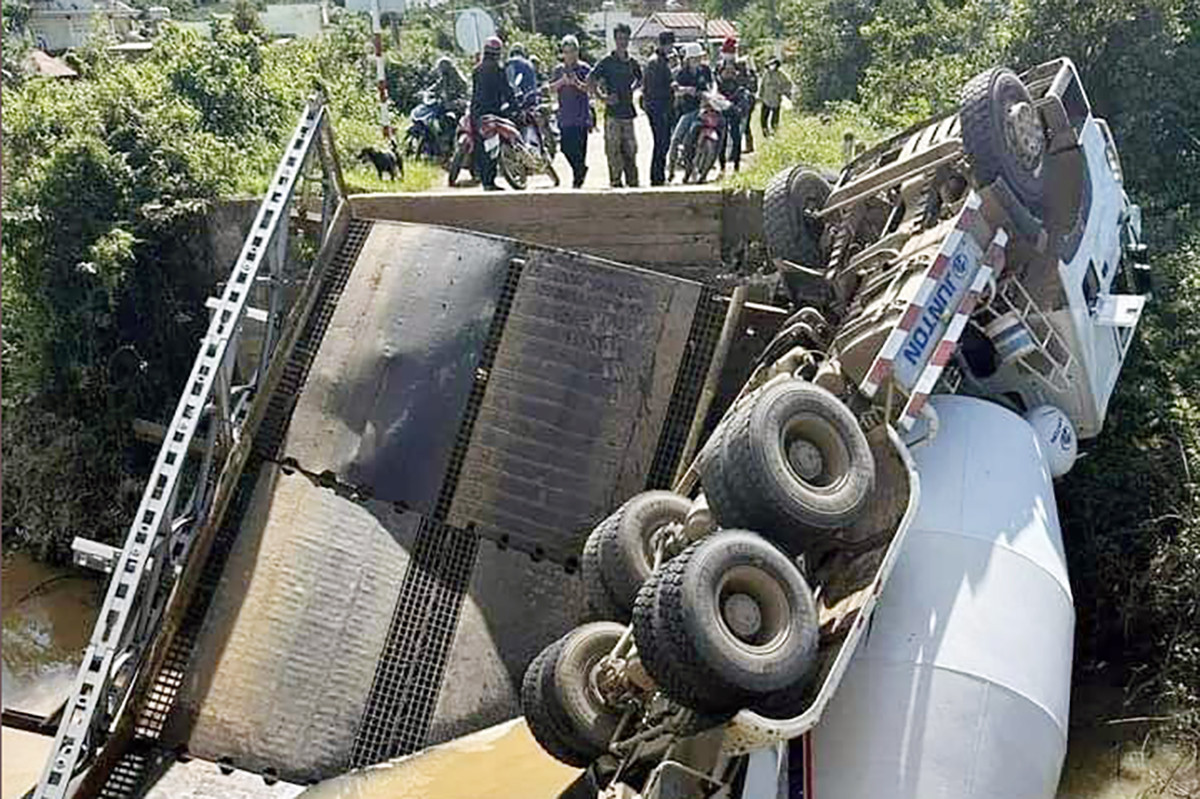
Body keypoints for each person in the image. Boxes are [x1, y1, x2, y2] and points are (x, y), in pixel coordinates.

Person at [589, 22, 643, 188]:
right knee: (613, 151)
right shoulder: (607, 61)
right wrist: (603, 98)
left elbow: (640, 79)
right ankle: (616, 182)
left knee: (631, 150)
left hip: (628, 113)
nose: (622, 42)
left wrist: (633, 89)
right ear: (615, 39)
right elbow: (591, 80)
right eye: (619, 38)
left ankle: (633, 182)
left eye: (625, 39)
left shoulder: (632, 62)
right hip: (612, 113)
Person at [471, 35, 516, 190]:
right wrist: (515, 107)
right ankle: (489, 181)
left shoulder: (476, 69)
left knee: (480, 146)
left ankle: (485, 180)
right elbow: (507, 91)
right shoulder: (498, 69)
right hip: (491, 113)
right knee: (492, 146)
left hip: (475, 113)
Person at [550, 34, 591, 188]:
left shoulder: (584, 68)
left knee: (580, 153)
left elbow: (590, 88)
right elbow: (550, 89)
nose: (569, 55)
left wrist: (577, 84)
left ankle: (577, 182)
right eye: (566, 51)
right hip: (565, 117)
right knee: (566, 148)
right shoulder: (558, 69)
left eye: (572, 51)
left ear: (577, 52)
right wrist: (562, 82)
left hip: (581, 118)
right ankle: (580, 171)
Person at [668, 42, 712, 182]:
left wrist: (712, 94)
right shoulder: (681, 73)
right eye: (693, 58)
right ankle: (672, 168)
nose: (697, 61)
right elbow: (675, 91)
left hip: (705, 108)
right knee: (676, 140)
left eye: (698, 58)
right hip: (688, 111)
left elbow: (712, 85)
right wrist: (687, 90)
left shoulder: (705, 70)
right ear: (687, 60)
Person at [641, 30, 675, 186]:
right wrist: (671, 88)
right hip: (658, 108)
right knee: (661, 142)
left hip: (661, 107)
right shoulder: (656, 62)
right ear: (665, 44)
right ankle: (657, 177)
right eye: (670, 44)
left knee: (663, 142)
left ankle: (659, 176)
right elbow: (654, 89)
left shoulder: (661, 61)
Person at [716, 59, 743, 173]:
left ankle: (736, 166)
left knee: (736, 139)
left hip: (734, 114)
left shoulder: (737, 84)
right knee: (722, 140)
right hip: (721, 114)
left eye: (732, 71)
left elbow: (742, 98)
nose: (730, 73)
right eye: (727, 71)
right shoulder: (717, 84)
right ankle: (722, 167)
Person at [759, 57, 793, 137]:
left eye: (773, 64)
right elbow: (762, 85)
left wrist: (780, 91)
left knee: (774, 119)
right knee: (763, 119)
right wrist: (760, 95)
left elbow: (788, 84)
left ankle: (774, 133)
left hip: (776, 100)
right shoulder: (766, 75)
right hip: (766, 99)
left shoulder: (781, 75)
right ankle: (766, 134)